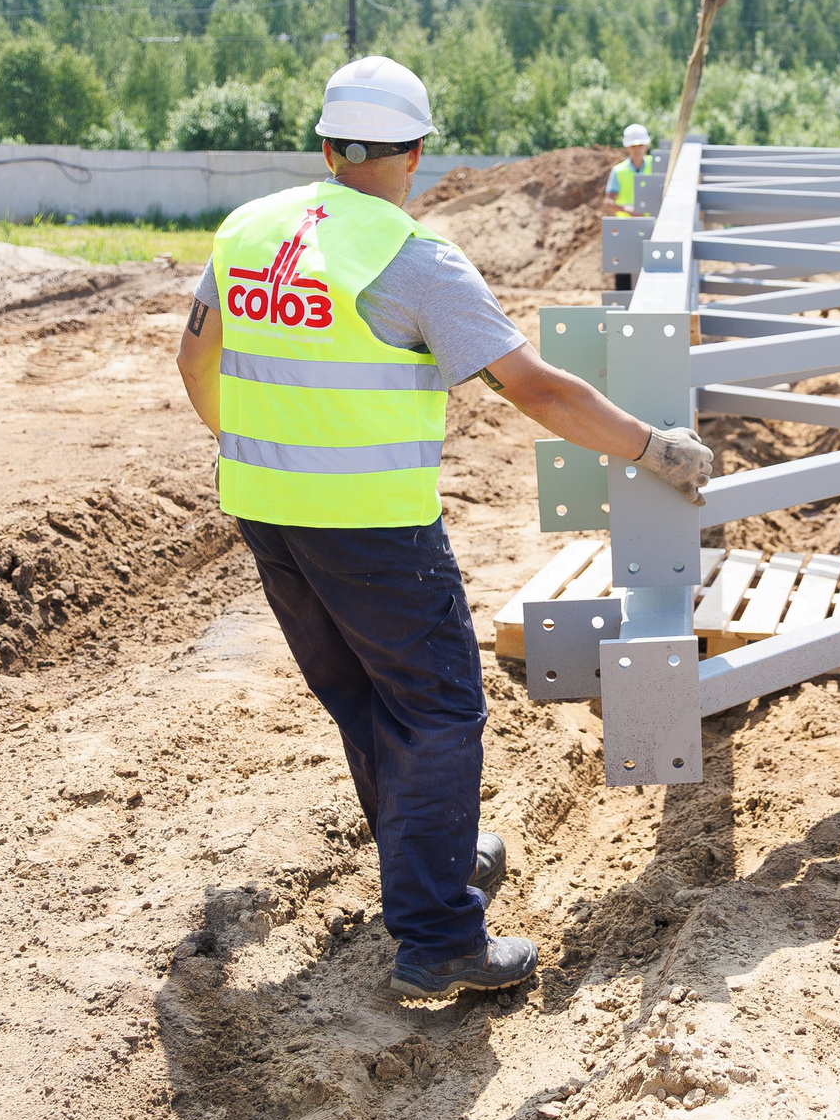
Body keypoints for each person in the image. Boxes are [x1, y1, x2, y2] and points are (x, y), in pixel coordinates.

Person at [174, 56, 715, 998]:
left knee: (365, 701)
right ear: (417, 152)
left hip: (266, 511)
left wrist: (260, 445)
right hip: (374, 531)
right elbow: (535, 387)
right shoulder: (414, 259)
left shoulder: (247, 229)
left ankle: (438, 859)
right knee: (438, 711)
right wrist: (649, 448)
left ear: (327, 145)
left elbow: (194, 361)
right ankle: (437, 938)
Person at [605, 124, 656, 218]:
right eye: (633, 146)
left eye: (640, 145)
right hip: (625, 223)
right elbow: (608, 201)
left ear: (647, 145)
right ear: (627, 147)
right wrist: (626, 209)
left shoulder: (656, 165)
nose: (637, 149)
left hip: (651, 222)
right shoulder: (618, 170)